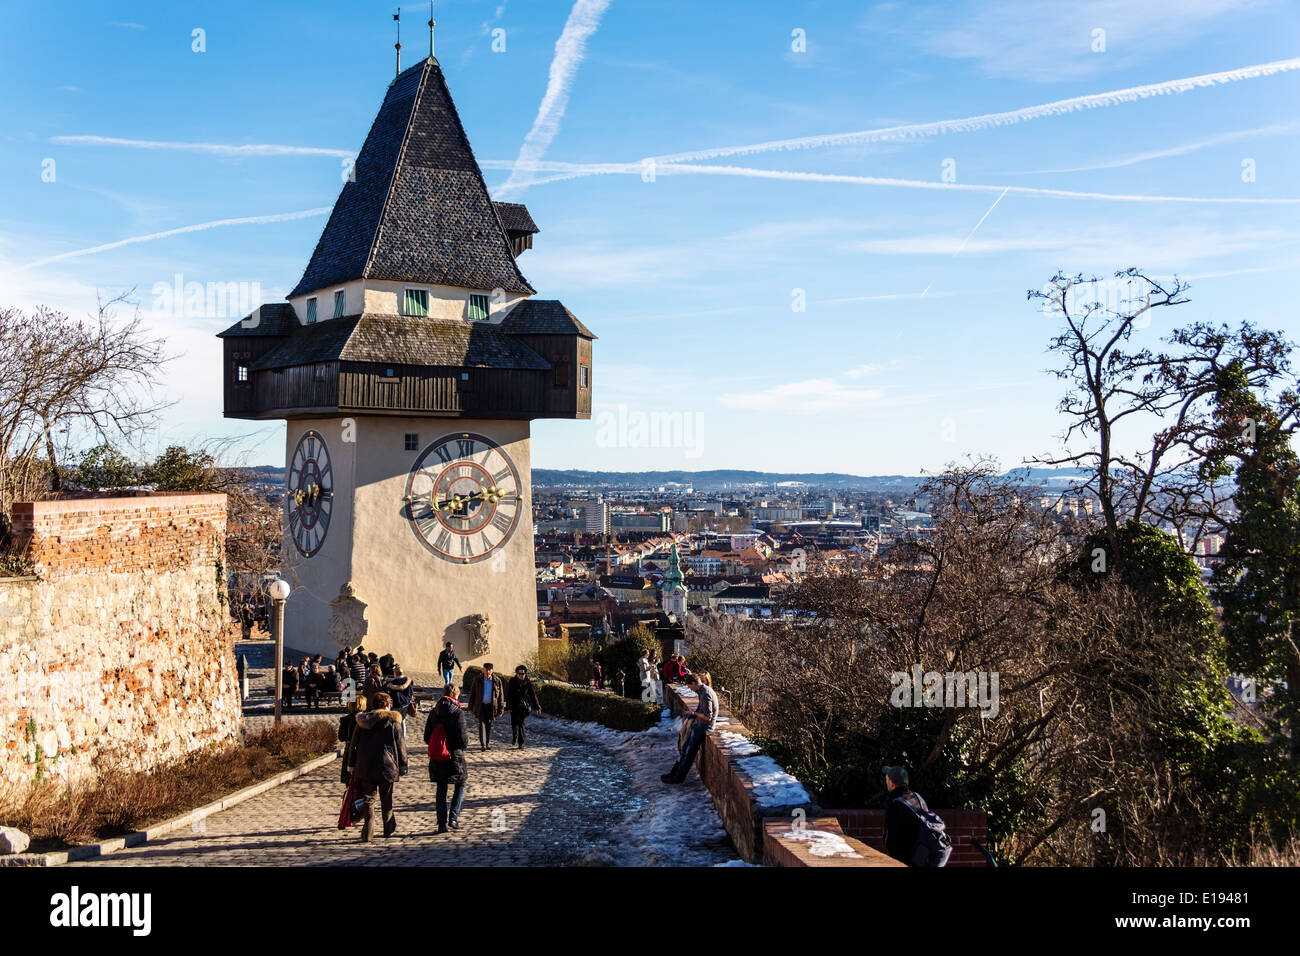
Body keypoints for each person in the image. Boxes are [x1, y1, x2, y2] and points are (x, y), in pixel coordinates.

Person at [347, 691, 407, 842]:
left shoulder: (362, 722)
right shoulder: (393, 722)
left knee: (368, 800)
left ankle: (368, 832)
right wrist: (403, 765)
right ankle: (388, 829)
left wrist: (351, 764)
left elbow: (353, 745)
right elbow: (401, 746)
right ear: (386, 704)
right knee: (386, 800)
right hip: (387, 767)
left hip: (365, 767)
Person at [883, 765, 951, 867]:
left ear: (892, 783)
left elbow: (891, 840)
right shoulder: (917, 797)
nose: (886, 782)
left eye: (887, 779)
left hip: (907, 859)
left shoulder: (895, 804)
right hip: (923, 856)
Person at [425, 683, 469, 833]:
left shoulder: (434, 712)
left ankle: (441, 823)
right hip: (454, 756)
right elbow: (463, 740)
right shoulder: (458, 712)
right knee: (461, 783)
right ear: (455, 695)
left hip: (437, 756)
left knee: (441, 788)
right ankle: (454, 817)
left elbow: (426, 737)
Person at [660, 672, 718, 784]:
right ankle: (675, 772)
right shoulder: (702, 691)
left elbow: (708, 717)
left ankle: (679, 777)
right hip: (699, 724)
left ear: (694, 683)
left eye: (689, 686)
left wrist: (694, 714)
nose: (690, 689)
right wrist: (692, 714)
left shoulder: (705, 694)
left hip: (705, 727)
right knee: (684, 748)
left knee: (689, 752)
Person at [466, 663, 505, 751]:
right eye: (486, 670)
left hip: (491, 706)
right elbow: (473, 693)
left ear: (492, 670)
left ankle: (486, 744)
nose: (487, 672)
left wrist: (501, 709)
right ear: (483, 670)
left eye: (489, 670)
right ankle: (483, 744)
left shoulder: (497, 681)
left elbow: (501, 696)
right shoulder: (478, 680)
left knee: (488, 725)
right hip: (481, 705)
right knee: (482, 724)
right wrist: (470, 707)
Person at [505, 665, 543, 748]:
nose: (522, 675)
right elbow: (509, 695)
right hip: (514, 706)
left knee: (521, 724)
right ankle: (515, 737)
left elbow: (533, 695)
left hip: (523, 707)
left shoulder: (528, 682)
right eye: (520, 673)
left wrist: (537, 707)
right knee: (514, 724)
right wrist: (508, 707)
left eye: (523, 674)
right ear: (517, 673)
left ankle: (521, 742)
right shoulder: (512, 681)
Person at [338, 695, 367, 784]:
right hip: (364, 751)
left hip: (349, 751)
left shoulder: (345, 720)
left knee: (350, 781)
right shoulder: (367, 719)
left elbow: (341, 737)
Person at [384, 665, 415, 738]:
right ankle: (403, 737)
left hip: (397, 704)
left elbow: (390, 694)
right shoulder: (409, 681)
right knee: (403, 721)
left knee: (394, 721)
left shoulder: (393, 682)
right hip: (406, 704)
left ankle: (395, 736)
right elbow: (411, 692)